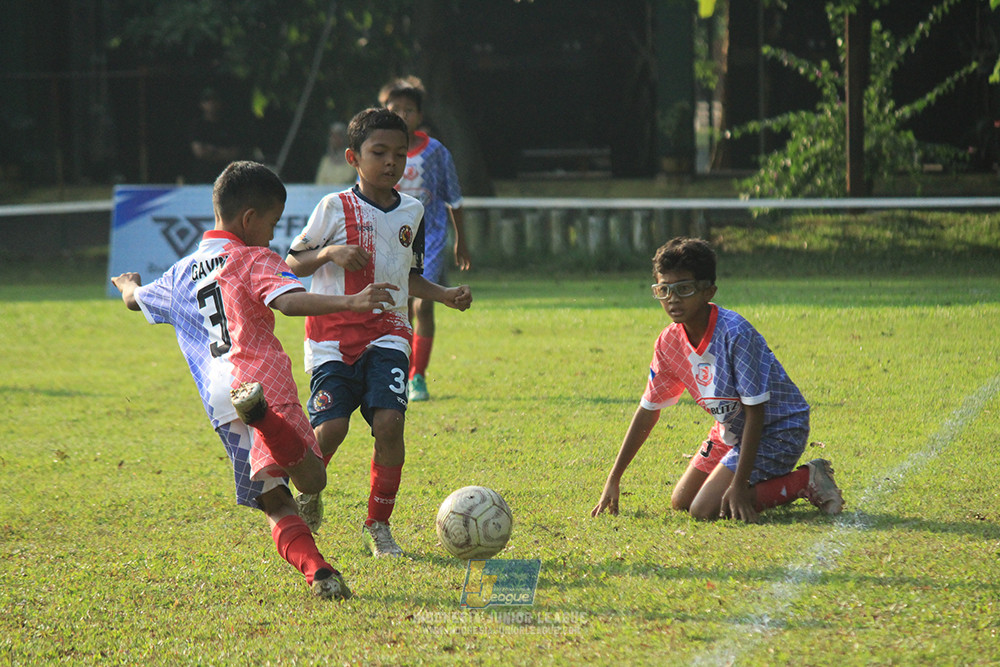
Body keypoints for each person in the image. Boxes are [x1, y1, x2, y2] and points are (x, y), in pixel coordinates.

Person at [112, 160, 399, 599]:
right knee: (312, 480)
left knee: (274, 500)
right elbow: (289, 302)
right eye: (272, 223)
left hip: (221, 402)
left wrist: (128, 285)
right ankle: (265, 418)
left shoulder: (179, 273)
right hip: (264, 382)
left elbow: (135, 300)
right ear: (249, 219)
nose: (272, 235)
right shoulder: (253, 257)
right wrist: (352, 301)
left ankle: (319, 573)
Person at [284, 107, 473, 557]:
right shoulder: (333, 207)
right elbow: (292, 262)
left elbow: (409, 276)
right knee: (331, 428)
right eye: (379, 152)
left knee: (390, 424)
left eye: (400, 154)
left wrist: (444, 294)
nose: (391, 162)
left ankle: (378, 524)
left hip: (388, 333)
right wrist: (329, 252)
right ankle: (308, 490)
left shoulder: (413, 210)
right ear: (353, 157)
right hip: (331, 337)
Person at [592, 237, 844, 524]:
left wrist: (740, 484)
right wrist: (614, 478)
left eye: (684, 289)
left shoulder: (735, 333)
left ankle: (806, 479)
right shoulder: (668, 341)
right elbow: (648, 410)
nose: (672, 299)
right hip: (731, 431)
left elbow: (756, 412)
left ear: (708, 291)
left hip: (777, 430)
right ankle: (753, 484)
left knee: (704, 509)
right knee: (682, 501)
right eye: (663, 290)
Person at [379, 76, 471, 402]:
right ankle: (398, 372)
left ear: (419, 115)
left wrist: (461, 239)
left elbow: (453, 196)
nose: (402, 115)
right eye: (395, 109)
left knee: (424, 304)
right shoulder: (377, 150)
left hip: (428, 239)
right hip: (390, 240)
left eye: (409, 110)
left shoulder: (434, 152)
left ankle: (418, 376)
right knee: (398, 306)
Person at [187, 87, 245, 183]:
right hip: (203, 176)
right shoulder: (198, 126)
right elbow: (199, 152)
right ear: (201, 104)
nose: (211, 104)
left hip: (226, 176)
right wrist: (222, 152)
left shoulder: (229, 125)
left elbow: (235, 153)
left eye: (214, 100)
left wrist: (212, 151)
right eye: (207, 100)